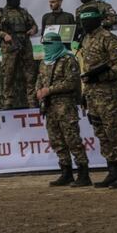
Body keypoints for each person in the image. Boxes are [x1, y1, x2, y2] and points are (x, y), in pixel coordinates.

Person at [78, 10, 117, 188]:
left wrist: (101, 76)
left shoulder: (109, 38)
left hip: (109, 95)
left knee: (114, 133)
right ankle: (113, 171)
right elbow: (87, 69)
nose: (84, 25)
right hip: (93, 95)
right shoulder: (86, 39)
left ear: (96, 21)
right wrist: (85, 93)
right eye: (82, 22)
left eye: (87, 21)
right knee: (101, 134)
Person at [35, 32, 90, 187]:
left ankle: (83, 174)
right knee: (57, 141)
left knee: (73, 140)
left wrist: (49, 90)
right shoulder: (44, 62)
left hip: (65, 107)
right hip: (49, 107)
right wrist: (38, 91)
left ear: (57, 44)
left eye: (49, 44)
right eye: (45, 45)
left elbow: (71, 83)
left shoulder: (68, 59)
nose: (47, 47)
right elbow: (39, 79)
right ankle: (66, 173)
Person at [0, 0, 38, 109]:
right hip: (9, 47)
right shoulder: (1, 13)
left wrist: (33, 30)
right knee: (8, 75)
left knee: (30, 74)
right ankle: (8, 102)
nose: (18, 0)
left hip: (25, 45)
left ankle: (32, 101)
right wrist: (4, 35)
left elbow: (34, 25)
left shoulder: (23, 12)